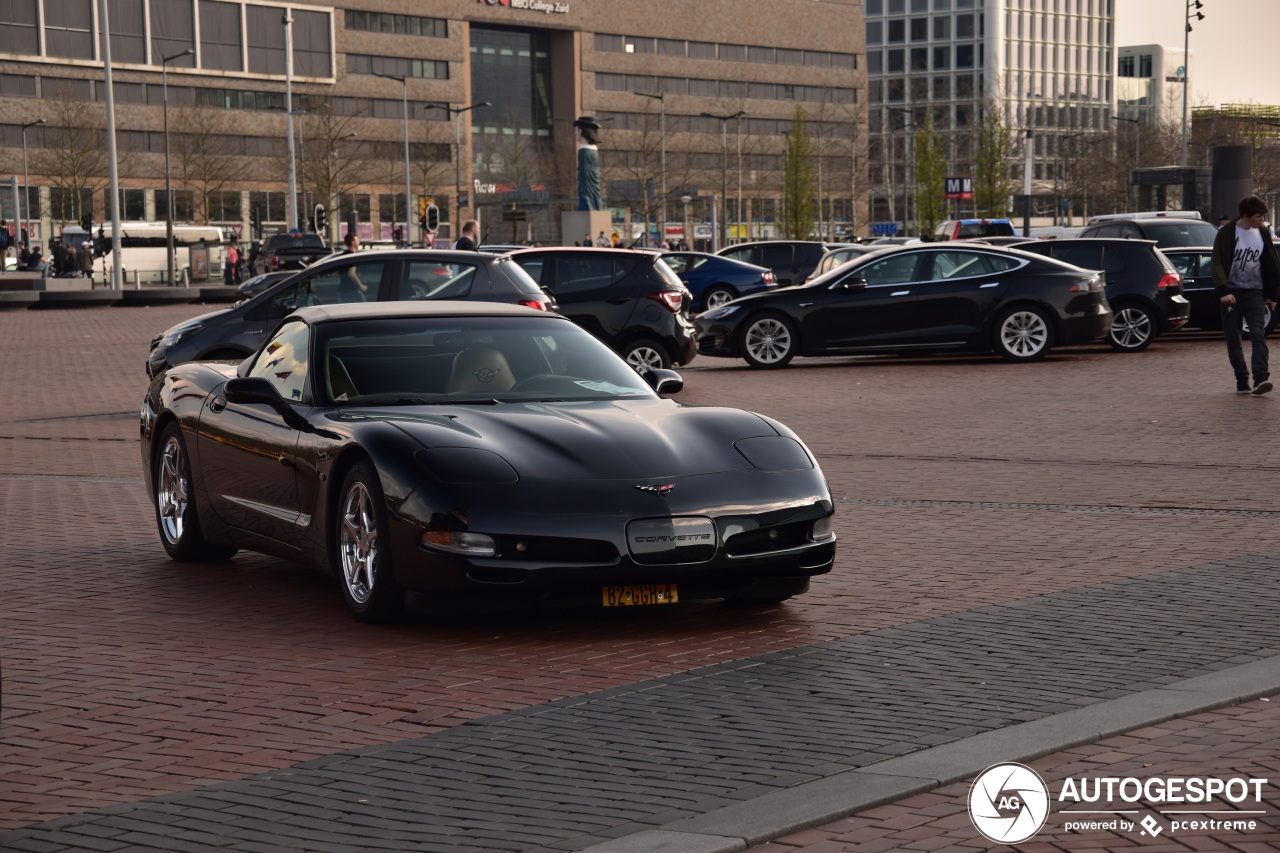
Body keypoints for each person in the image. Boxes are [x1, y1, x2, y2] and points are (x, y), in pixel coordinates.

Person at [1211, 195, 1280, 395]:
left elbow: (1271, 264)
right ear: (1246, 215)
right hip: (1232, 295)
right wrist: (1223, 291)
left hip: (1255, 293)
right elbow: (1216, 262)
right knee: (1233, 337)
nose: (1261, 220)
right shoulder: (1227, 233)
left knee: (1258, 334)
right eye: (1258, 216)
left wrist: (1272, 295)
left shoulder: (1263, 232)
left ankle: (1261, 378)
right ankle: (1242, 378)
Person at [573, 116, 603, 211]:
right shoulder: (593, 150)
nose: (575, 133)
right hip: (593, 185)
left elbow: (584, 175)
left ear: (581, 131)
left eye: (576, 131)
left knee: (585, 197)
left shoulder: (583, 150)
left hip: (586, 188)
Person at [337, 231, 368, 301]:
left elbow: (336, 273)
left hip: (342, 290)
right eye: (357, 241)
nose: (359, 243)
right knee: (364, 309)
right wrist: (361, 286)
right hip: (352, 290)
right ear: (353, 243)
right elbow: (351, 273)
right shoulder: (352, 256)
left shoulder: (342, 255)